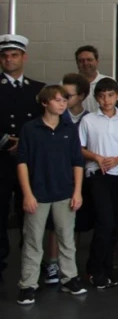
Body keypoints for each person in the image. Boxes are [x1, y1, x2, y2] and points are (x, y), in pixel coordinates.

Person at [15, 85, 87, 305]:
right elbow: (22, 162)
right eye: (57, 100)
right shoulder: (30, 129)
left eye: (64, 100)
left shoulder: (69, 128)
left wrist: (77, 191)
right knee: (33, 241)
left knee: (67, 238)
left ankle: (69, 277)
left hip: (64, 192)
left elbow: (77, 162)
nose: (62, 104)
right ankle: (28, 284)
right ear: (45, 103)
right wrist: (27, 194)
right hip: (38, 193)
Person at [0, 33, 45, 280]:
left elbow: (44, 123)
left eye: (14, 55)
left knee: (29, 214)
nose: (9, 59)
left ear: (23, 57)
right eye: (5, 56)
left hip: (28, 163)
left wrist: (25, 145)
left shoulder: (38, 89)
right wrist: (6, 141)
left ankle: (29, 264)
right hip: (2, 161)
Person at [78, 77, 118, 289]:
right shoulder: (88, 120)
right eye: (101, 96)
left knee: (116, 224)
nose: (106, 100)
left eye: (110, 95)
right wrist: (97, 157)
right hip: (97, 175)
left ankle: (108, 267)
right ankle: (94, 269)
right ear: (96, 98)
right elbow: (79, 148)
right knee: (104, 222)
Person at [76, 45, 110, 114]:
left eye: (89, 60)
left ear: (97, 61)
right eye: (81, 61)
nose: (85, 63)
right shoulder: (68, 83)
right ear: (77, 63)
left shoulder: (109, 82)